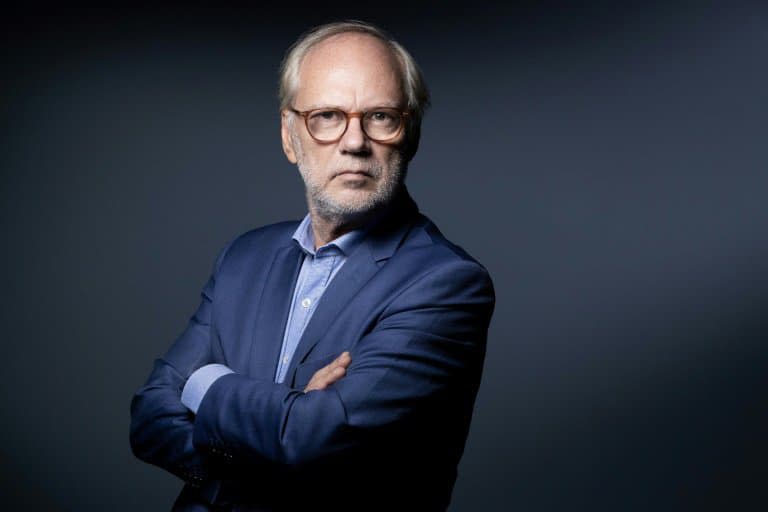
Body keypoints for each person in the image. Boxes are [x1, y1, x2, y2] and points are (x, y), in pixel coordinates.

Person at [130, 20, 495, 511]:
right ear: (289, 136)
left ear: (410, 135)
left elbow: (311, 436)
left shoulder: (446, 284)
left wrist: (206, 384)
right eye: (327, 116)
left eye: (381, 116)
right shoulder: (244, 257)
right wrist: (283, 420)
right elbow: (151, 414)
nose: (354, 142)